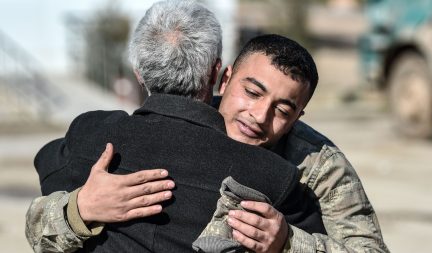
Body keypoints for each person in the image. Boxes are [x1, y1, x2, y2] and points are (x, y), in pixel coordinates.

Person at [26, 1, 326, 253]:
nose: (260, 116)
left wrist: (80, 207)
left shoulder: (92, 135)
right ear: (215, 74)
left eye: (283, 109)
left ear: (138, 73)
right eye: (252, 93)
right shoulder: (273, 176)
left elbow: (46, 168)